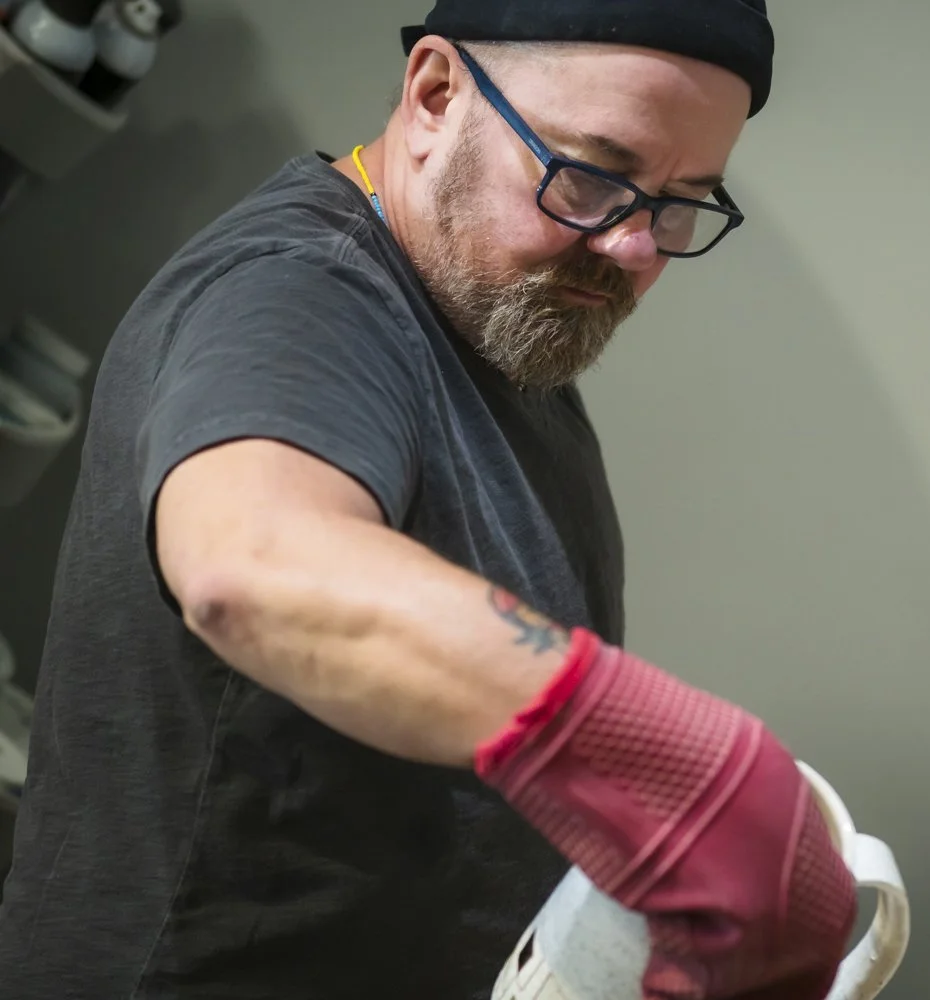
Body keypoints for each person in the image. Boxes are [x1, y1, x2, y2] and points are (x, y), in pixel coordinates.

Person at [0, 1, 860, 998]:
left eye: (679, 204)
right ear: (436, 96)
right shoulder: (299, 293)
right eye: (591, 174)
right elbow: (254, 562)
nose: (632, 247)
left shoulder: (502, 311)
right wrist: (666, 760)